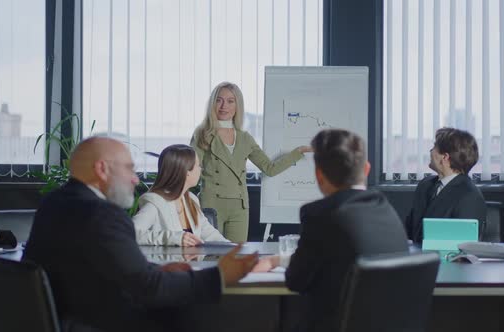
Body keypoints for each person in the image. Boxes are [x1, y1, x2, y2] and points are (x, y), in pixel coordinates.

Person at [23, 137, 258, 332]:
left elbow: (94, 266)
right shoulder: (102, 215)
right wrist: (220, 275)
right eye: (129, 168)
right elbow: (151, 289)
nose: (135, 179)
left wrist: (155, 270)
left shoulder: (53, 203)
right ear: (102, 169)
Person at [253, 129, 409, 332]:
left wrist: (275, 262)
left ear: (319, 175)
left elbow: (296, 280)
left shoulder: (320, 215)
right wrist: (278, 260)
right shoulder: (386, 209)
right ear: (367, 169)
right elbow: (346, 256)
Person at [191, 81, 312, 242]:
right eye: (219, 100)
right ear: (213, 103)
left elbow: (270, 168)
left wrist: (299, 152)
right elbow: (190, 168)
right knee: (211, 255)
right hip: (211, 203)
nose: (223, 106)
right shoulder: (202, 133)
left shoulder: (245, 138)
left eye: (230, 101)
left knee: (236, 257)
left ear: (237, 106)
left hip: (240, 207)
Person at [133, 144, 229, 246]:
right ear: (187, 172)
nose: (201, 169)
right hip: (165, 262)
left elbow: (209, 234)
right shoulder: (155, 202)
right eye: (199, 166)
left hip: (192, 262)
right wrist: (172, 238)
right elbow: (130, 233)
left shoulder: (191, 199)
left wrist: (234, 249)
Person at [405, 127, 487, 243]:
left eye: (434, 147)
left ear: (445, 157)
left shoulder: (469, 196)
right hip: (415, 257)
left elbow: (462, 248)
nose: (430, 151)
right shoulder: (425, 185)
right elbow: (409, 229)